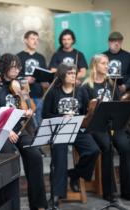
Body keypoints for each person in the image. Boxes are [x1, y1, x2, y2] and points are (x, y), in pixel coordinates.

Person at [0, 53, 47, 210]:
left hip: (19, 128)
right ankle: (12, 207)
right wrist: (5, 129)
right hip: (1, 130)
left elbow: (27, 106)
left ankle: (38, 205)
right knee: (12, 161)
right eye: (13, 67)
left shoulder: (19, 84)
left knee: (35, 156)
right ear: (5, 67)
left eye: (19, 67)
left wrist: (28, 110)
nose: (17, 70)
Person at [42, 63, 100, 206]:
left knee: (93, 150)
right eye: (70, 73)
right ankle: (56, 195)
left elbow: (87, 112)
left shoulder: (80, 91)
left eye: (74, 73)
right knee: (59, 158)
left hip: (77, 128)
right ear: (62, 75)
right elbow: (45, 114)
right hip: (60, 130)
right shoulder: (53, 92)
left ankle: (74, 175)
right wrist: (61, 118)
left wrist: (90, 112)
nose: (73, 75)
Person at [79, 54, 130, 201]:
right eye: (104, 63)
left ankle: (126, 191)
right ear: (95, 65)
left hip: (113, 125)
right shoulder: (86, 87)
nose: (107, 66)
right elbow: (82, 112)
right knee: (107, 147)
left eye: (107, 63)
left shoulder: (111, 85)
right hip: (96, 127)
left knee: (126, 147)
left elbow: (119, 106)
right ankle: (109, 191)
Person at [17, 30, 49, 124]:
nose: (35, 42)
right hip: (24, 95)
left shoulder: (41, 57)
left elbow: (44, 75)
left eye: (37, 39)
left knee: (38, 122)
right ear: (25, 40)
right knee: (27, 123)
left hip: (38, 94)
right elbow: (15, 76)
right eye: (32, 39)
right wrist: (25, 79)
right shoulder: (19, 56)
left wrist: (45, 80)